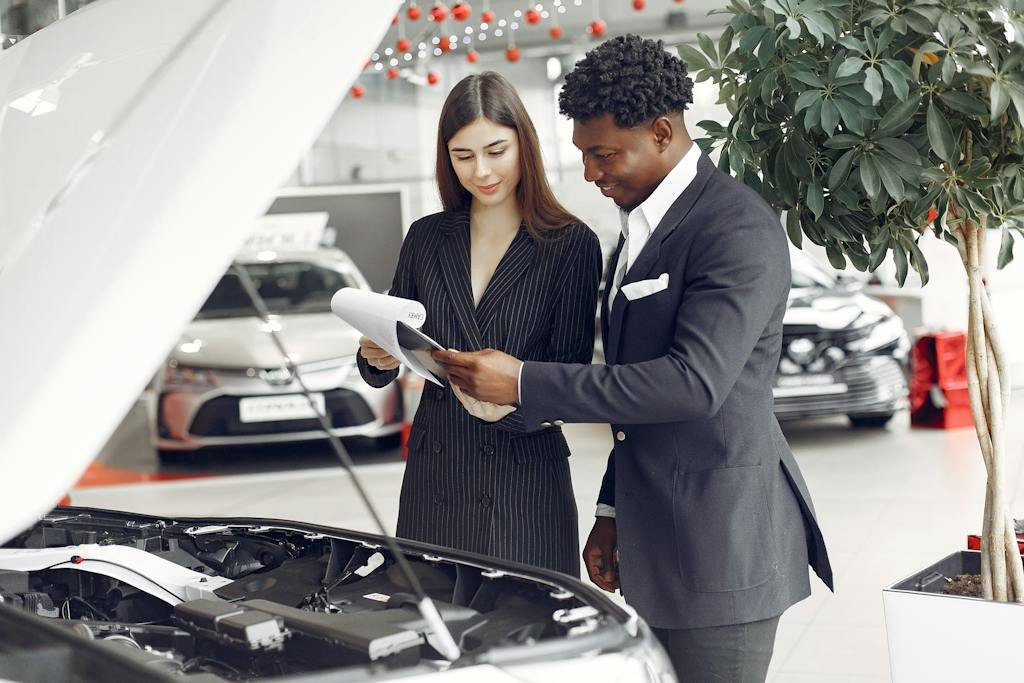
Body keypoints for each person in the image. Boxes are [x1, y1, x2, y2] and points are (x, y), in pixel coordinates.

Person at [433, 36, 833, 682]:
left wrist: (525, 381)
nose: (590, 173)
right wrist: (612, 511)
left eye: (603, 154)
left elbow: (691, 383)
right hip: (658, 538)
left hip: (722, 545)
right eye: (584, 155)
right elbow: (633, 397)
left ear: (663, 132)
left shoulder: (735, 227)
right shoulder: (639, 228)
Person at [357, 72, 602, 576]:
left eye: (496, 150)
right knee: (438, 640)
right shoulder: (426, 238)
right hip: (437, 478)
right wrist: (374, 357)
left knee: (529, 638)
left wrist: (505, 409)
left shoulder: (570, 244)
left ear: (524, 146)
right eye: (463, 156)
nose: (481, 171)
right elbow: (394, 347)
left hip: (523, 484)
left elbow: (570, 379)